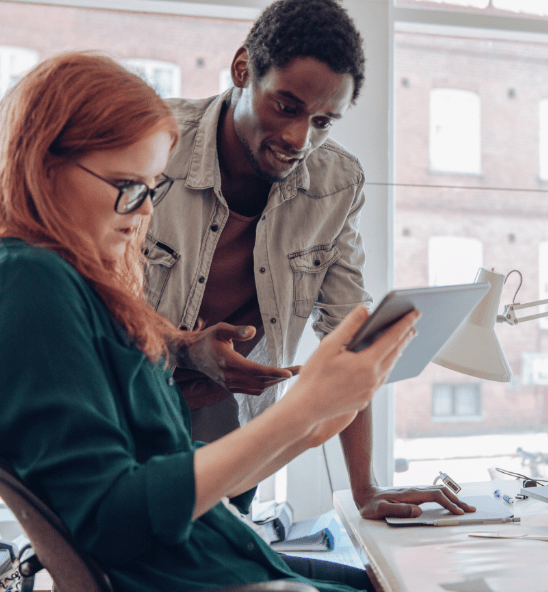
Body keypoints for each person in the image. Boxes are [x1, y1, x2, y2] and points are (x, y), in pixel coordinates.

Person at [0, 52, 474, 592]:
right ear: (44, 162)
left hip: (216, 550)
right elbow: (113, 517)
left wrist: (308, 427)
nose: (145, 213)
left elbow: (167, 474)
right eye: (128, 186)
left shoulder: (73, 284)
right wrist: (297, 413)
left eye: (153, 188)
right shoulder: (29, 283)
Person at [145, 0, 452, 521]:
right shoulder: (153, 146)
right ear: (243, 69)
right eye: (286, 107)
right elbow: (85, 299)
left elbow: (351, 336)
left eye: (324, 122)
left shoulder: (336, 184)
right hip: (131, 412)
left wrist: (365, 490)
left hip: (236, 432)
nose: (298, 140)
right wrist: (187, 349)